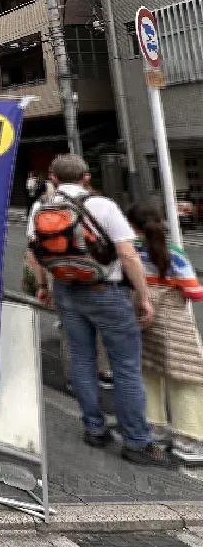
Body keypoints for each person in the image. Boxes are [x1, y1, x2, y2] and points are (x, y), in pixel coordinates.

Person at [27, 154, 174, 466]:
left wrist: (42, 286)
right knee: (125, 367)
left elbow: (34, 254)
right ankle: (137, 441)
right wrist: (143, 296)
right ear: (87, 178)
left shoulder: (40, 208)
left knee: (82, 360)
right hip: (106, 291)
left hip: (66, 289)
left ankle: (94, 429)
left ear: (53, 179)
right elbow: (128, 255)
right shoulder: (103, 206)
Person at [126, 202, 203, 459]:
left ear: (131, 226)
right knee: (186, 377)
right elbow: (195, 292)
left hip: (142, 317)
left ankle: (154, 427)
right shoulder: (173, 253)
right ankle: (188, 439)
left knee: (148, 371)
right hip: (174, 322)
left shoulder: (129, 252)